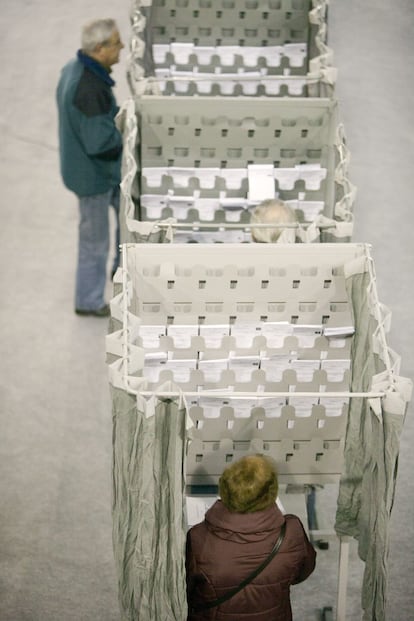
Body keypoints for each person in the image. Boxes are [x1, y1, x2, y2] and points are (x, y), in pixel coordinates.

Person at [186, 455, 316, 621]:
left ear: (225, 488)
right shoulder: (291, 531)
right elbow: (303, 572)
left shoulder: (198, 538)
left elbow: (185, 589)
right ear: (271, 492)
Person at [56, 19, 125, 316]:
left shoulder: (74, 68)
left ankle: (119, 271)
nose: (121, 47)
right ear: (100, 49)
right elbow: (101, 143)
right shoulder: (89, 89)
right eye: (117, 43)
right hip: (94, 178)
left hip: (88, 168)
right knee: (95, 243)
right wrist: (126, 132)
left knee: (123, 219)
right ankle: (89, 300)